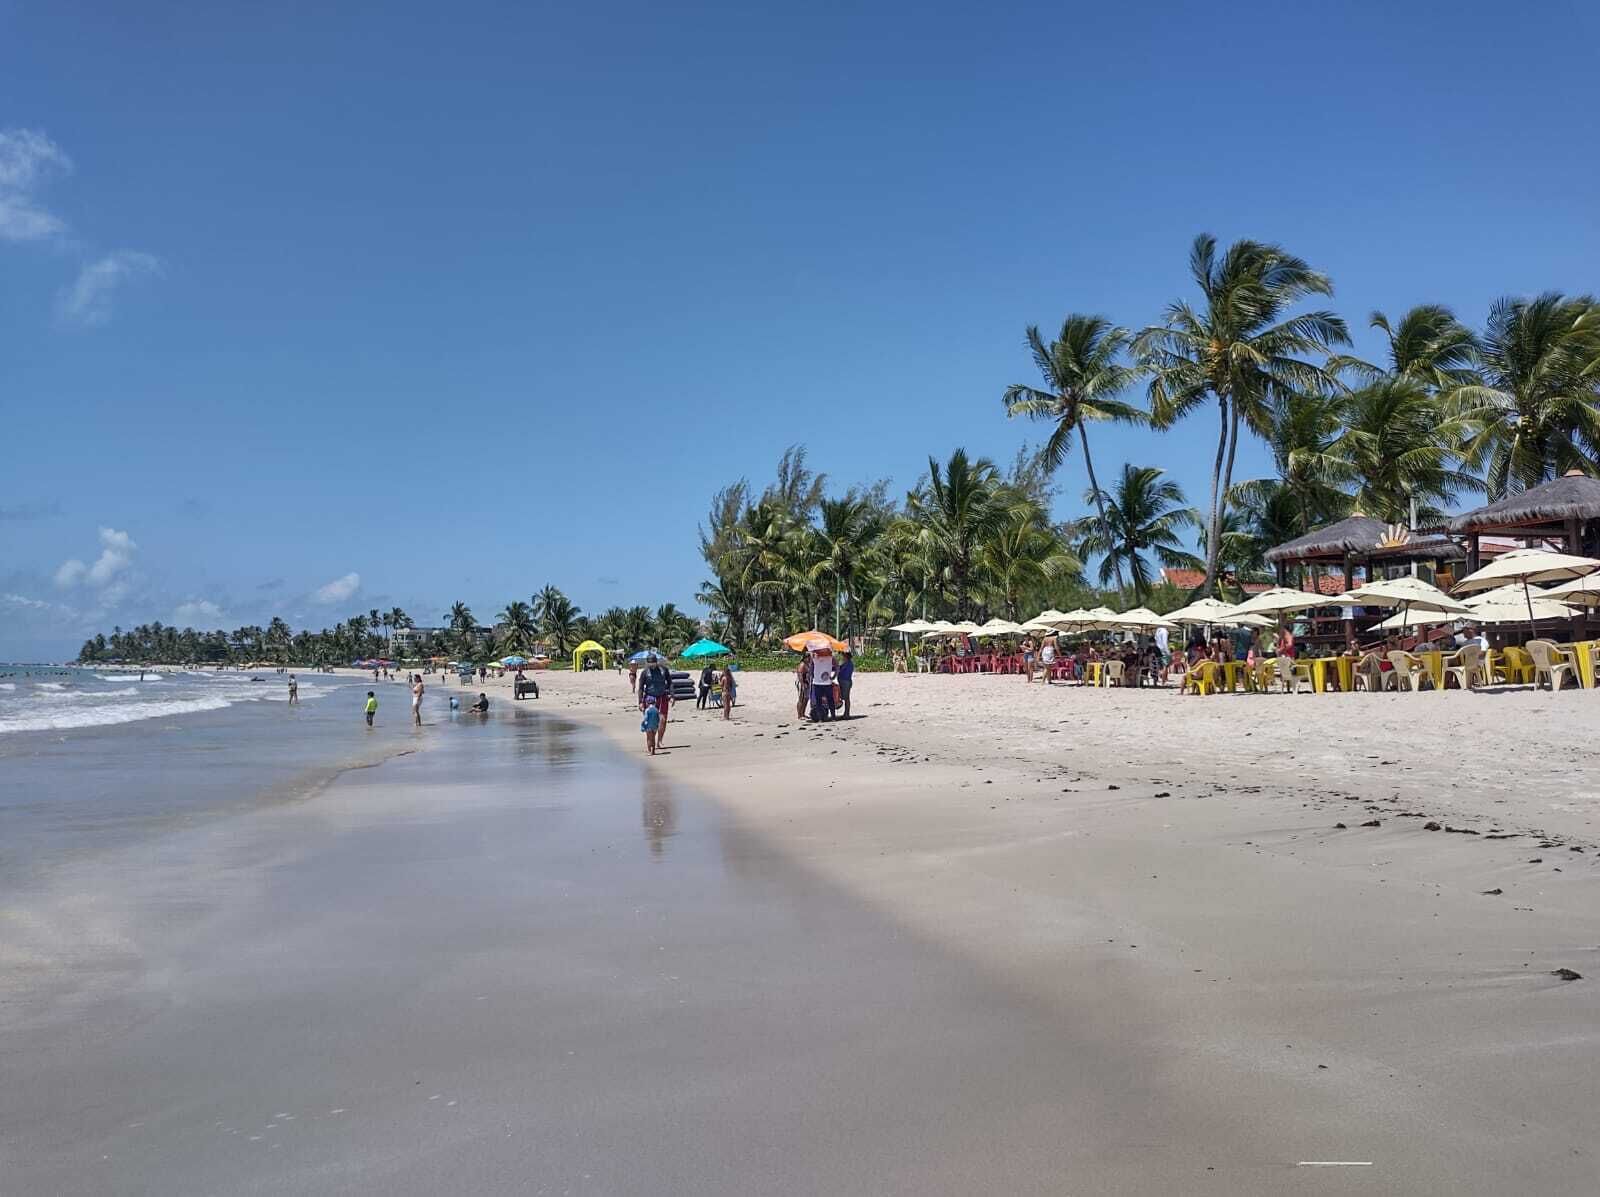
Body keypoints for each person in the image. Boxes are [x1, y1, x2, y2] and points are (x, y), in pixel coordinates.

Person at [637, 653, 672, 747]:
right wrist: (640, 702)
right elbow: (640, 688)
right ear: (647, 663)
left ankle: (659, 741)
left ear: (656, 662)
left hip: (662, 697)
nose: (651, 665)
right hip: (650, 698)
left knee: (663, 720)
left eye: (653, 663)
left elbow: (670, 682)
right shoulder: (645, 672)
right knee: (651, 721)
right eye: (649, 663)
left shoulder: (663, 670)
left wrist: (672, 695)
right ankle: (651, 741)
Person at [810, 649, 835, 721]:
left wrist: (812, 676)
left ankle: (821, 718)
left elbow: (811, 668)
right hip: (826, 682)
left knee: (819, 702)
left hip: (818, 682)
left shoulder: (814, 658)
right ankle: (832, 717)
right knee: (830, 700)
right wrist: (834, 676)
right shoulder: (830, 658)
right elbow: (837, 666)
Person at [837, 650, 855, 719]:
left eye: (843, 655)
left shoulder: (848, 664)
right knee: (846, 698)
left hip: (846, 682)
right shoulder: (847, 663)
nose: (842, 656)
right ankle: (846, 713)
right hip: (845, 682)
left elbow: (840, 671)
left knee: (846, 698)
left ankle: (847, 714)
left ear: (846, 656)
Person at [794, 653, 812, 719]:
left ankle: (803, 713)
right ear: (805, 658)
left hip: (806, 682)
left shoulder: (808, 664)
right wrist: (802, 684)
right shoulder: (802, 664)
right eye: (808, 657)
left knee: (806, 698)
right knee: (801, 698)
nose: (810, 659)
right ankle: (799, 715)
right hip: (802, 682)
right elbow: (800, 674)